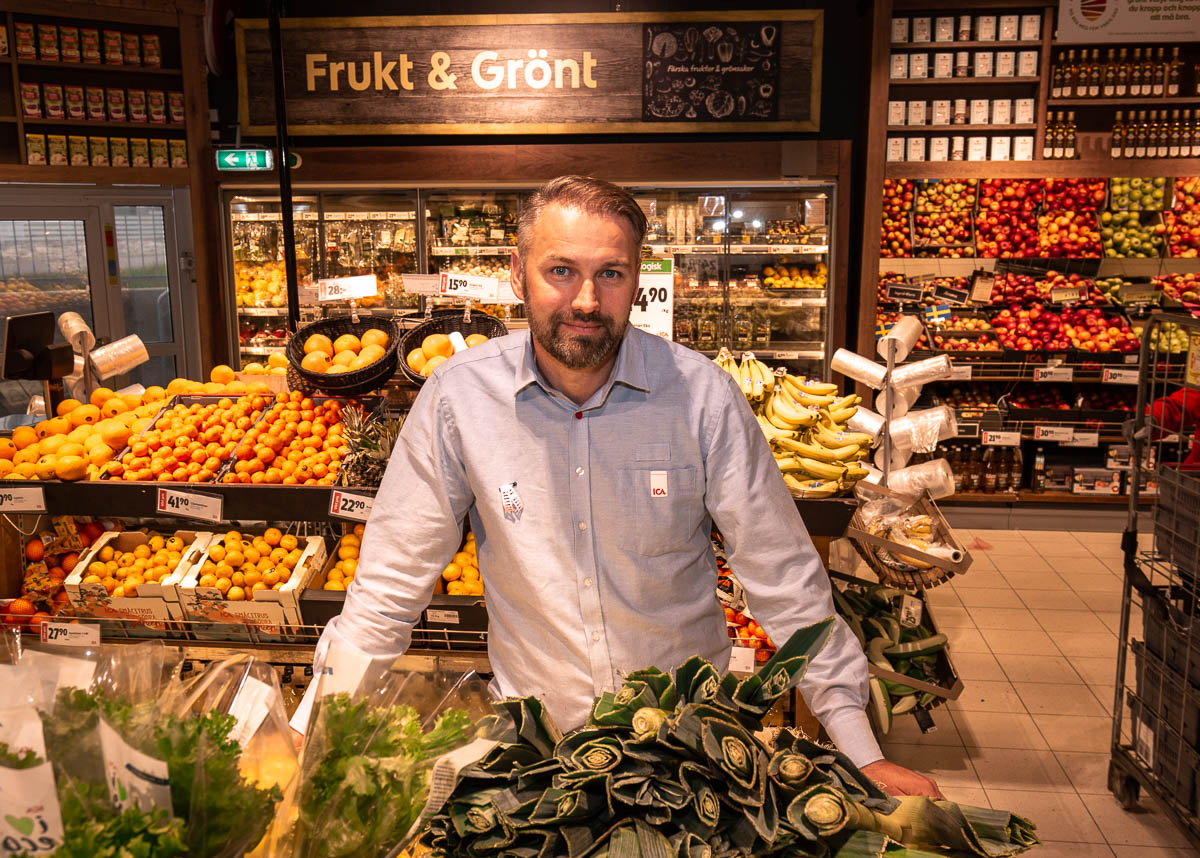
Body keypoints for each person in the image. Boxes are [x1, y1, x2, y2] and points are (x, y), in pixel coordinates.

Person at [293, 175, 941, 798]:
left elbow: (788, 582)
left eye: (610, 273)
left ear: (636, 280)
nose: (584, 299)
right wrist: (311, 727)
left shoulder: (701, 398)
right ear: (518, 275)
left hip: (692, 758)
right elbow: (388, 585)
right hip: (536, 765)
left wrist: (864, 752)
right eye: (560, 271)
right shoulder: (460, 399)